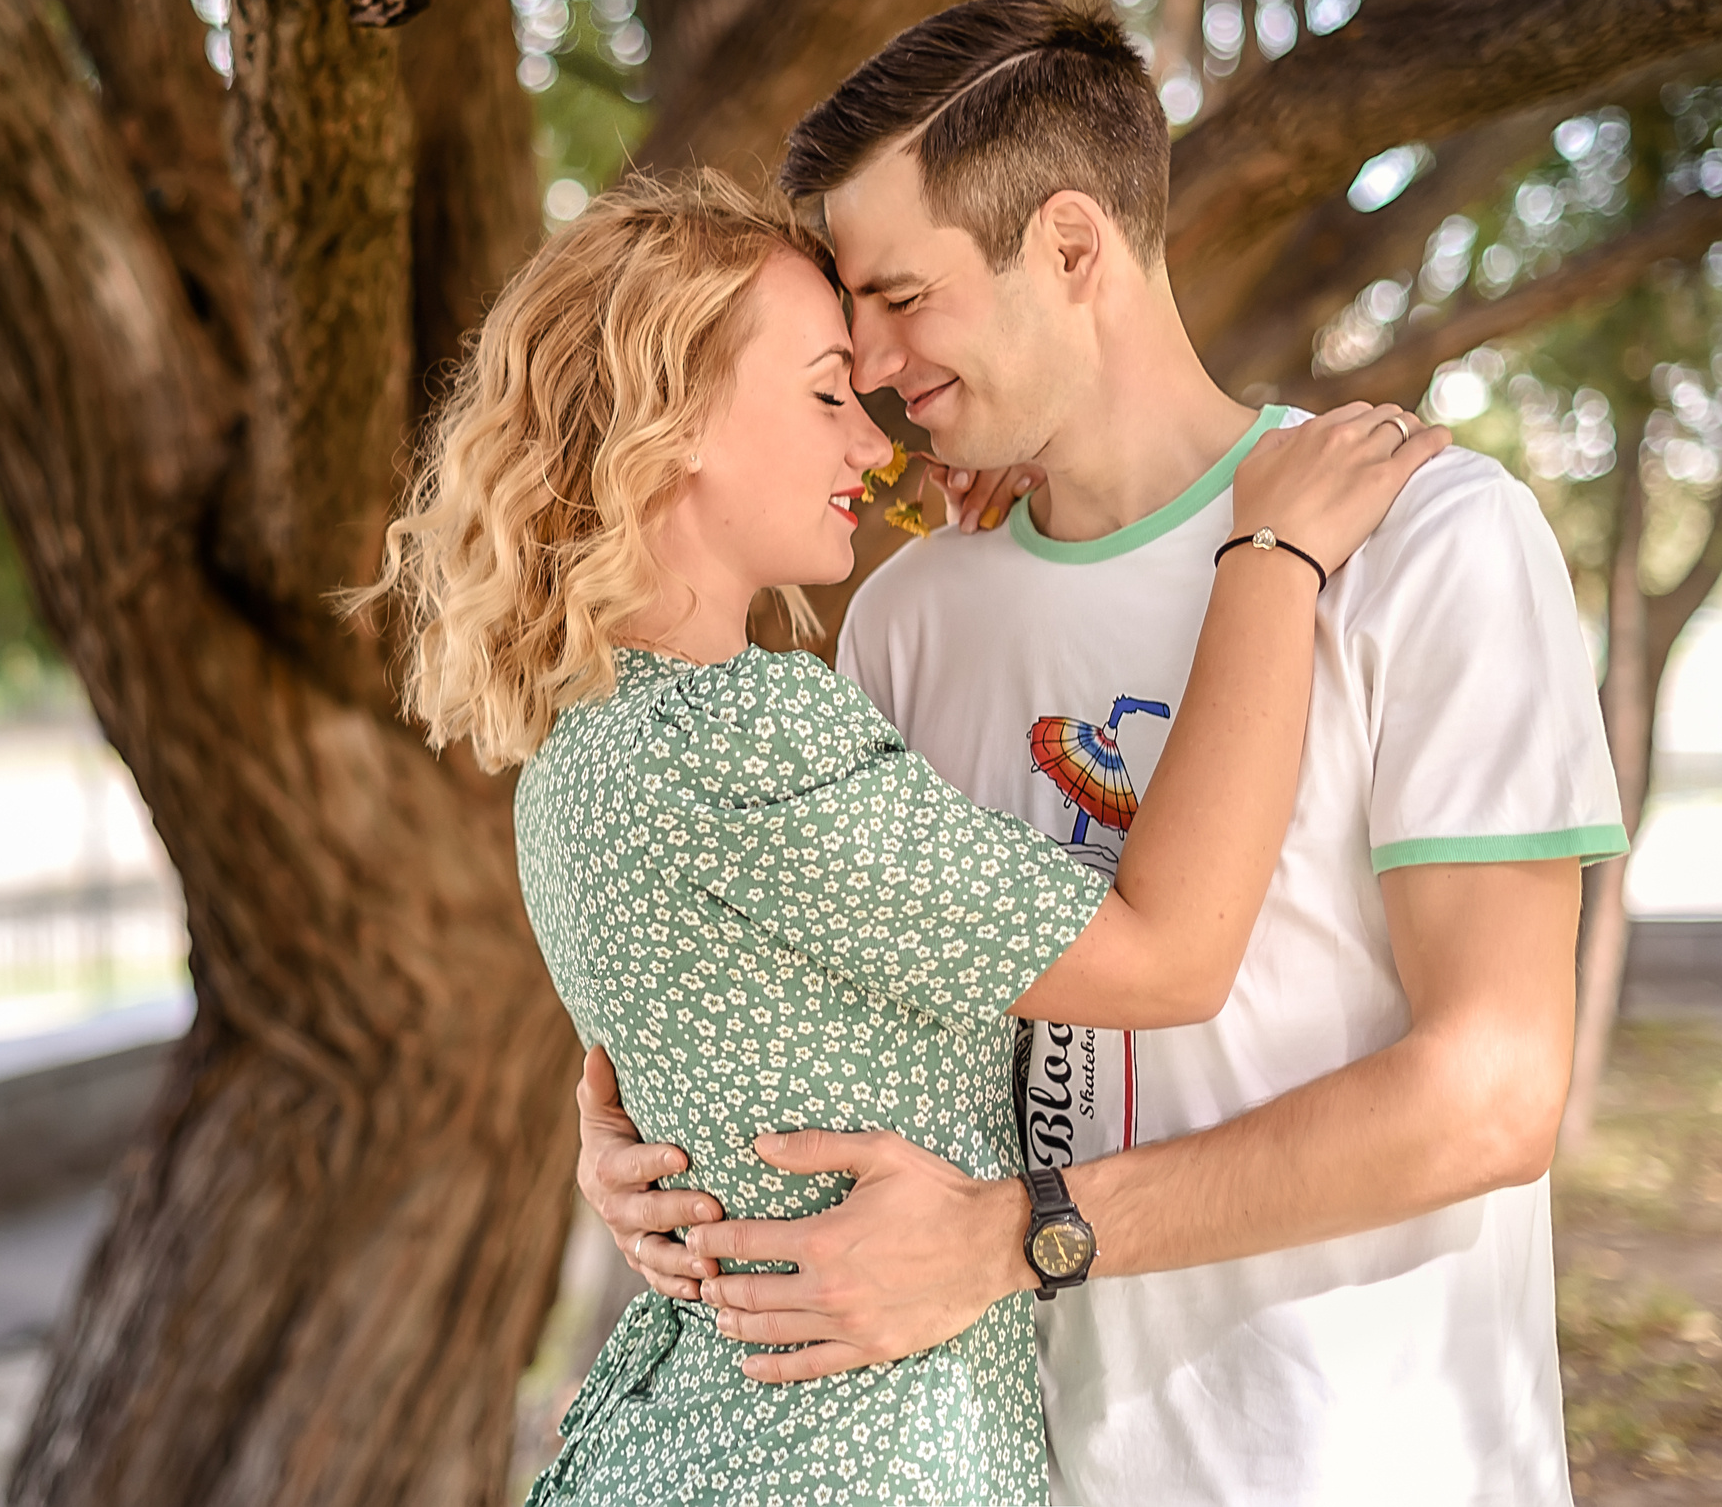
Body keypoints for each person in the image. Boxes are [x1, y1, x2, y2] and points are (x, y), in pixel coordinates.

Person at [576, 0, 1627, 1506]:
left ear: (1072, 248)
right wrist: (640, 1152)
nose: (869, 362)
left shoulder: (1432, 543)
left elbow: (1492, 1091)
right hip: (1024, 1469)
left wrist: (1021, 1232)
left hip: (1364, 1462)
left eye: (899, 296)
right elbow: (811, 995)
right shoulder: (911, 618)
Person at [352, 166, 1445, 1504]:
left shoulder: (579, 755)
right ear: (674, 417)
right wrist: (1274, 554)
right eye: (824, 392)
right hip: (849, 1464)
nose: (874, 445)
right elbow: (1169, 955)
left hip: (696, 1437)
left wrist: (991, 560)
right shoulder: (742, 739)